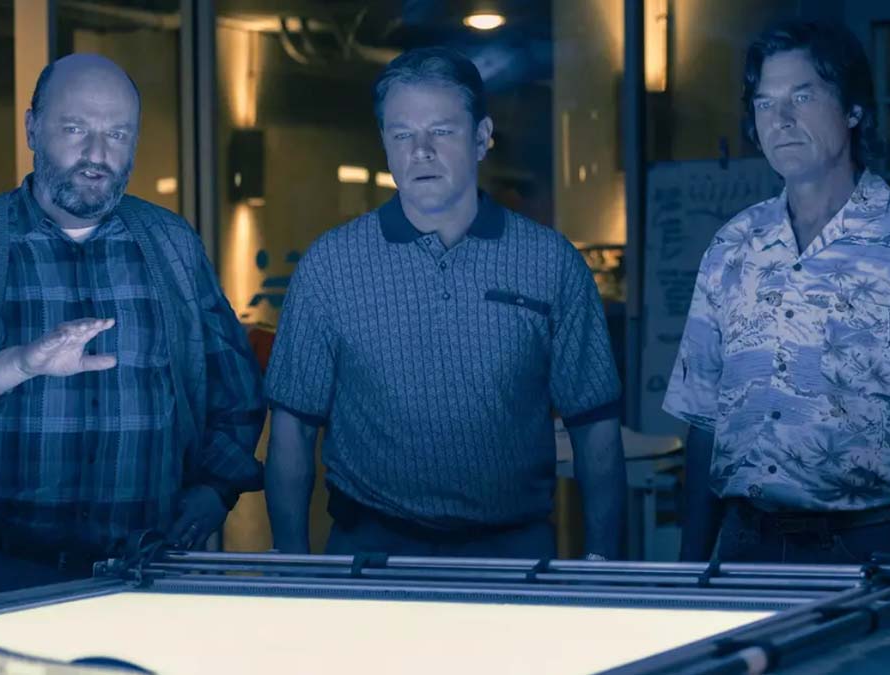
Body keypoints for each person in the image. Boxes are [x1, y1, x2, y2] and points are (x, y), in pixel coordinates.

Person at [0, 54, 265, 599]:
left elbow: (236, 388)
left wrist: (216, 488)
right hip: (2, 573)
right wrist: (17, 363)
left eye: (117, 134)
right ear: (32, 128)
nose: (97, 155)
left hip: (149, 572)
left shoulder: (172, 244)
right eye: (75, 129)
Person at [263, 47, 627, 560]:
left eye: (442, 131)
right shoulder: (330, 266)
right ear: (384, 143)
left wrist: (603, 565)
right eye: (402, 134)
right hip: (370, 552)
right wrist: (291, 566)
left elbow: (595, 426)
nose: (421, 151)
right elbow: (292, 429)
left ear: (481, 138)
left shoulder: (550, 262)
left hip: (513, 552)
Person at [663, 21, 890, 565]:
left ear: (853, 110)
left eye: (802, 97)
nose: (781, 119)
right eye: (765, 103)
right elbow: (703, 417)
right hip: (745, 544)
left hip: (870, 543)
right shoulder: (732, 245)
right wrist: (691, 566)